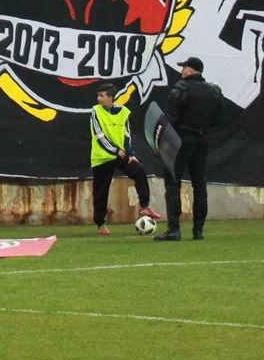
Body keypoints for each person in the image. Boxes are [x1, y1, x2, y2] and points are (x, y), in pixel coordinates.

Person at [155, 56, 225, 241]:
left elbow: (170, 119)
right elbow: (218, 120)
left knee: (172, 182)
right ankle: (198, 230)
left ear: (189, 70)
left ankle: (174, 229)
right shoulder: (214, 91)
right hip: (202, 141)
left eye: (183, 67)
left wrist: (162, 141)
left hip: (181, 140)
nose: (181, 71)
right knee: (199, 184)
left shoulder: (181, 89)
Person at [89, 82, 159, 235]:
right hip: (102, 157)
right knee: (100, 192)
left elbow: (127, 135)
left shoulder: (123, 111)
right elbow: (99, 136)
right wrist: (115, 150)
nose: (98, 99)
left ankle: (144, 207)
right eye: (98, 95)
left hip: (120, 154)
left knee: (138, 170)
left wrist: (131, 154)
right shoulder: (95, 111)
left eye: (101, 96)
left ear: (110, 98)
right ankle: (100, 224)